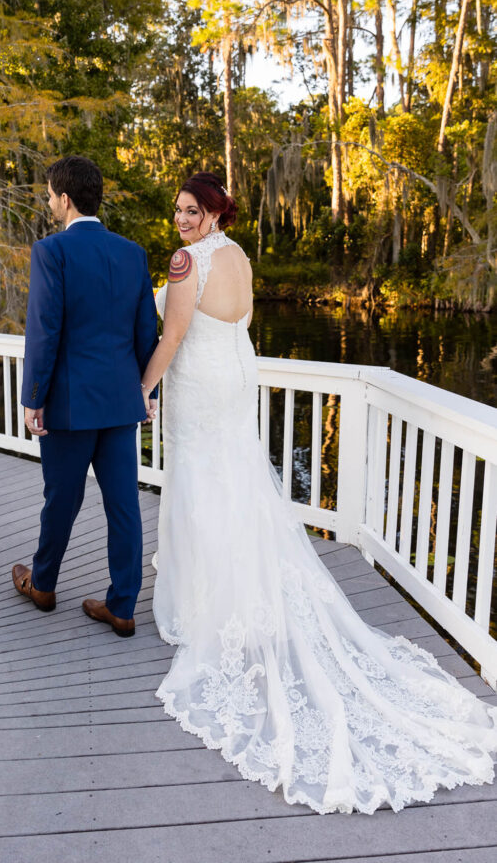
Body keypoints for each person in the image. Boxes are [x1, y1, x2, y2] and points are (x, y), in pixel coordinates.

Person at [139, 171, 497, 814]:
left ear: (214, 212)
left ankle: (206, 612)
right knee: (232, 485)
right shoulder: (240, 257)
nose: (181, 219)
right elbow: (232, 323)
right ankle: (232, 596)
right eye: (178, 210)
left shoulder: (187, 260)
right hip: (230, 381)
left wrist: (144, 388)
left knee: (199, 489)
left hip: (199, 384)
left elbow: (173, 335)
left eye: (192, 210)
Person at [12, 155, 158, 637]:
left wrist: (34, 397)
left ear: (66, 198)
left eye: (50, 195)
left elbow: (44, 331)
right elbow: (144, 335)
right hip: (120, 404)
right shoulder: (133, 253)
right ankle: (122, 606)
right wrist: (147, 393)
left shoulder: (51, 251)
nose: (49, 202)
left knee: (61, 499)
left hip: (69, 406)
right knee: (124, 506)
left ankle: (45, 584)